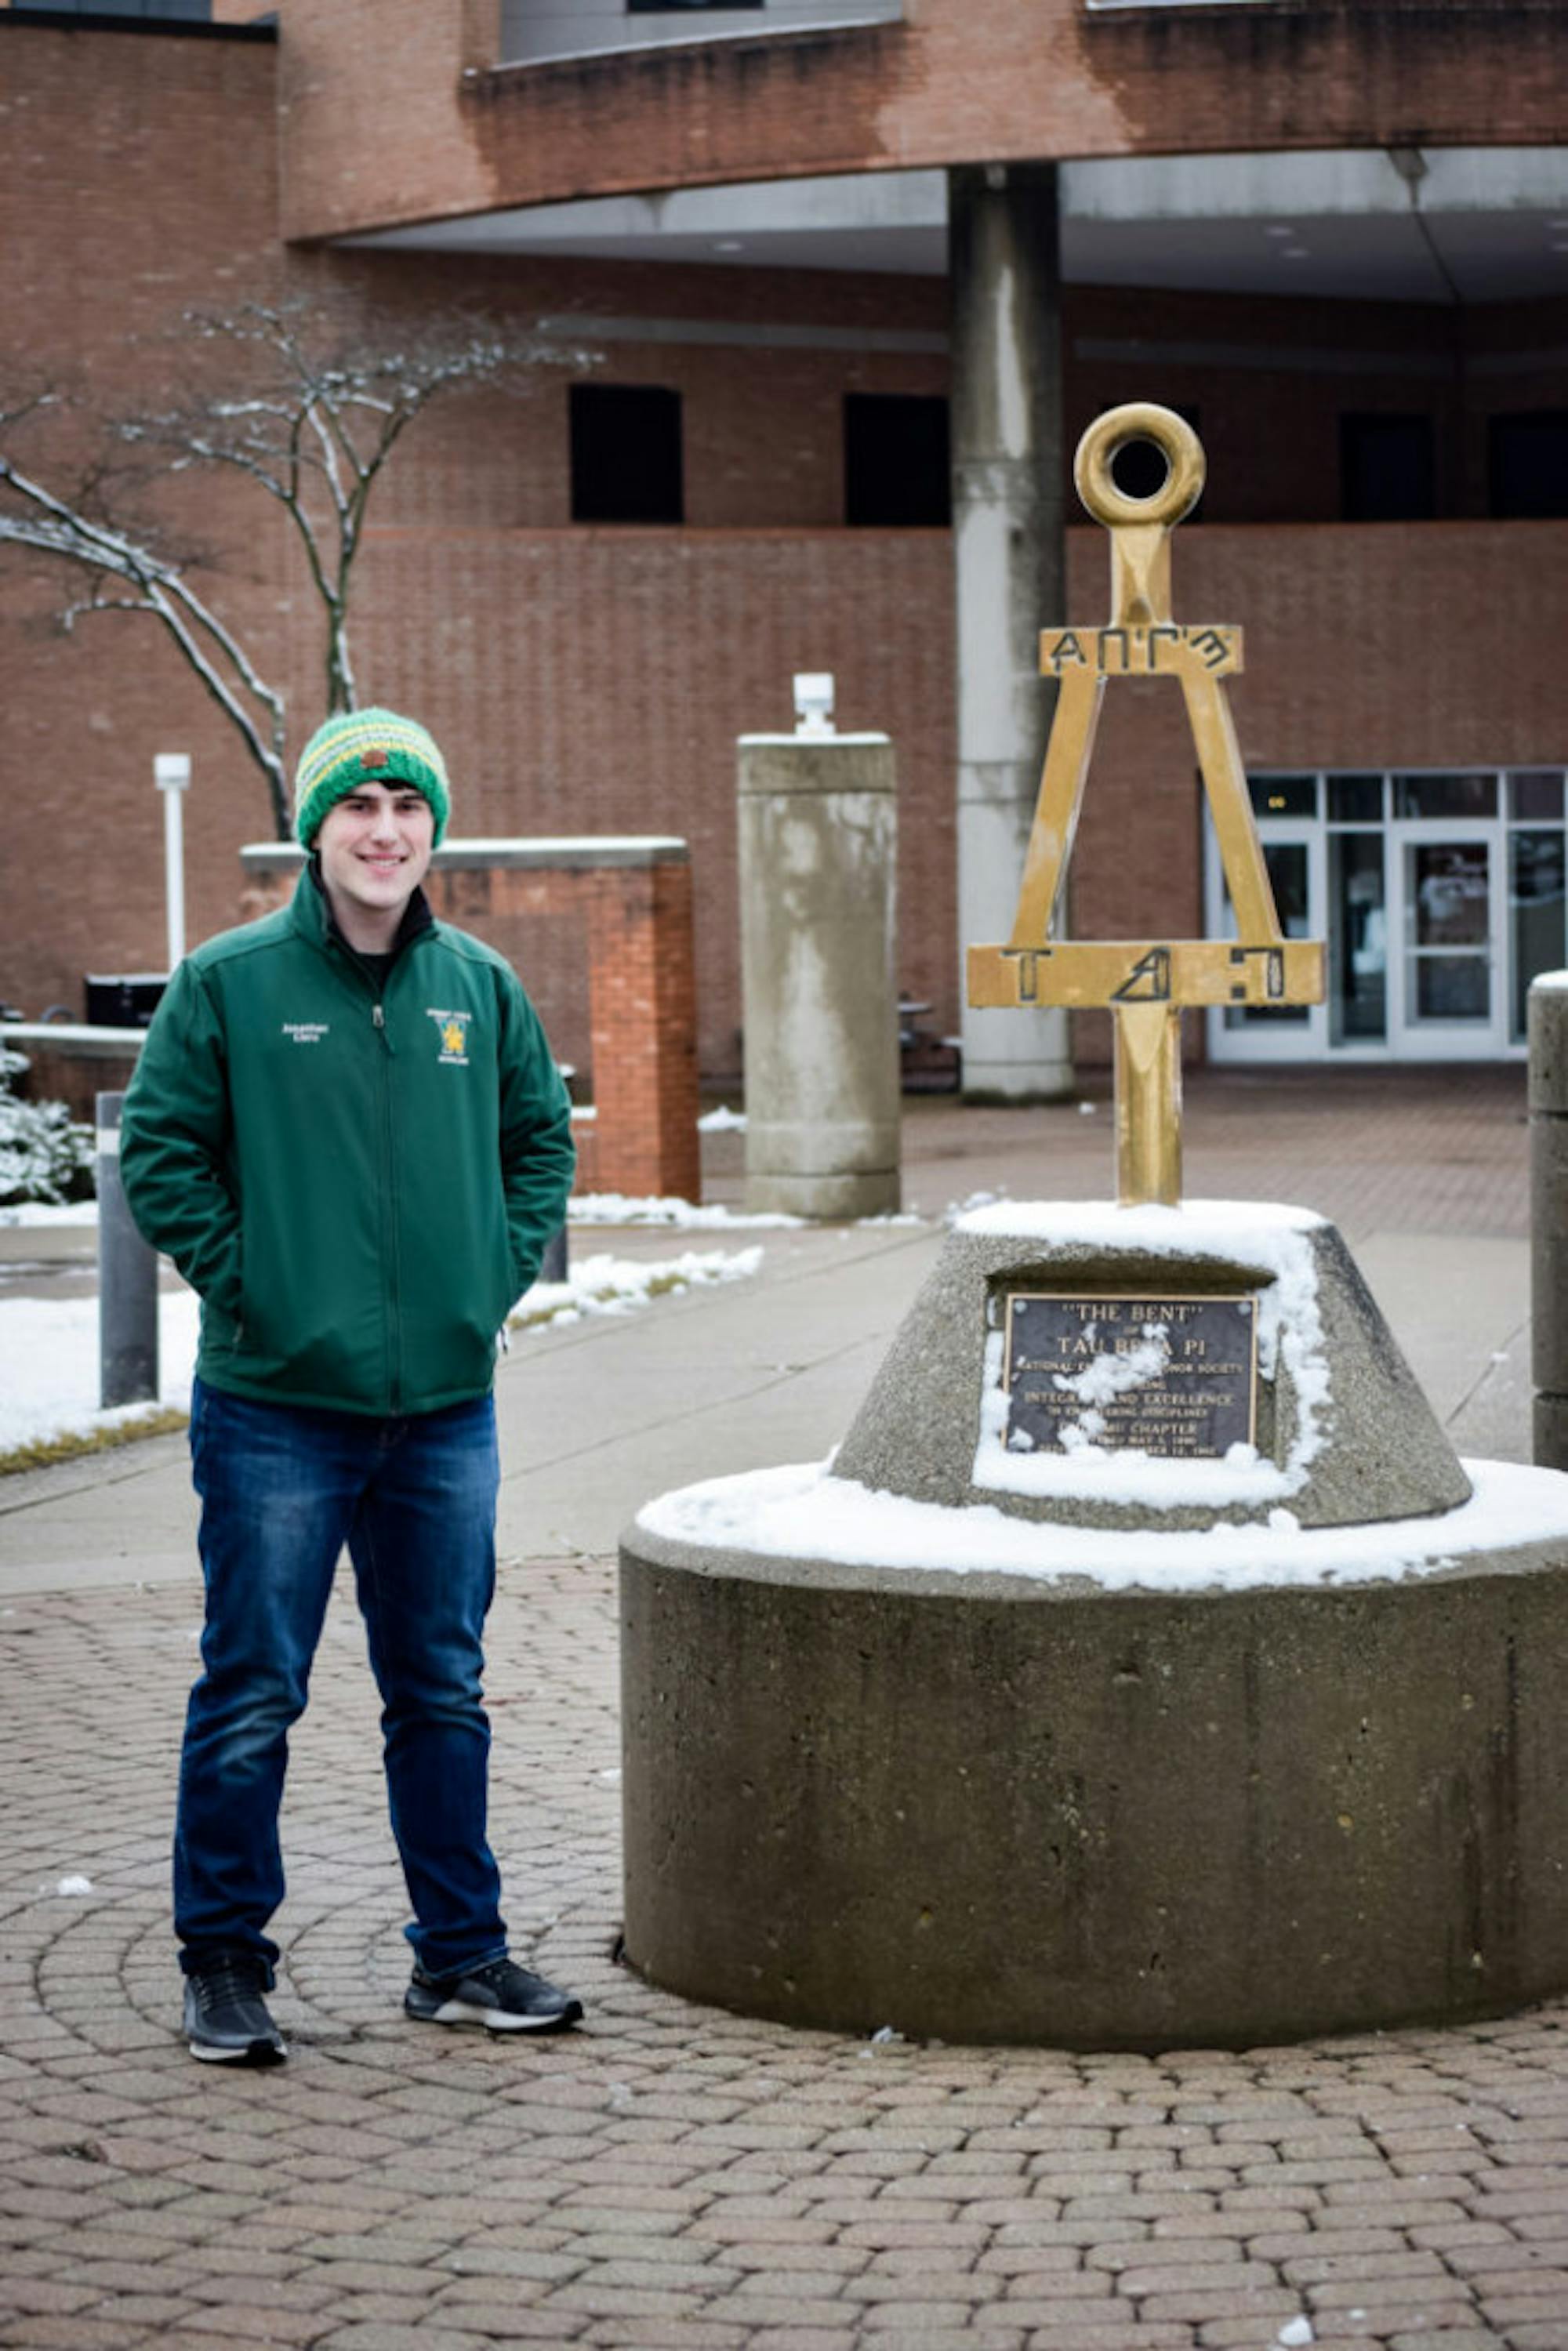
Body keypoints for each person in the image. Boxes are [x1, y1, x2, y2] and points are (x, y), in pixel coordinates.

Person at [121, 708, 580, 2064]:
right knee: (254, 1683)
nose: (385, 830)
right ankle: (223, 1961)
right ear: (315, 831)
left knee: (441, 1687)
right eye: (359, 807)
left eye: (408, 806)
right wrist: (256, 1284)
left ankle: (459, 1955)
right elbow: (161, 1156)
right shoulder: (230, 982)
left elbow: (538, 1143)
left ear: (433, 829)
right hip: (275, 1410)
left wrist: (480, 1284)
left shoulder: (478, 988)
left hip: (443, 1410)